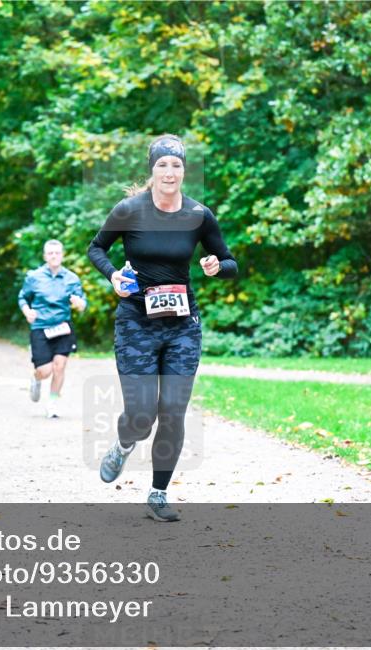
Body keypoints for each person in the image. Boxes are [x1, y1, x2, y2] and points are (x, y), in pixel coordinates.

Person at [87, 134, 237, 522]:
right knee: (141, 416)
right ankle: (123, 446)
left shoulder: (198, 215)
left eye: (176, 166)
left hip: (183, 327)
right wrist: (113, 276)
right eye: (162, 165)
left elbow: (229, 260)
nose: (169, 172)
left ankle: (158, 493)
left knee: (172, 411)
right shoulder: (129, 210)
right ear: (152, 170)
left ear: (184, 171)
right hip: (136, 323)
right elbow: (96, 248)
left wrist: (217, 266)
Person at [18, 239, 87, 418]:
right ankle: (36, 378)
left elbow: (82, 302)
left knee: (60, 366)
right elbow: (23, 297)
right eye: (50, 253)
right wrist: (27, 311)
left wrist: (80, 304)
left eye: (57, 253)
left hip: (63, 327)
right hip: (40, 327)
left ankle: (52, 403)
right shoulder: (34, 277)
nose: (54, 256)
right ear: (45, 256)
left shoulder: (72, 278)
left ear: (62, 255)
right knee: (45, 370)